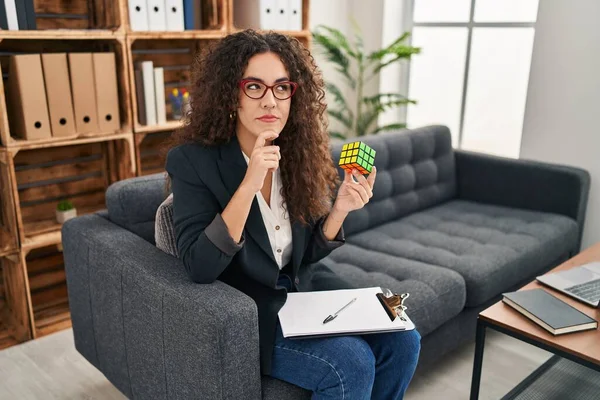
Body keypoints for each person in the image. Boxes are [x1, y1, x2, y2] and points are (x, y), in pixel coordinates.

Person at [165, 29, 420, 400]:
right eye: (255, 86)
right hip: (253, 308)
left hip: (306, 292)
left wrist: (339, 211)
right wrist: (249, 183)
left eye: (282, 88)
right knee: (352, 362)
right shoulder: (192, 161)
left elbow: (302, 257)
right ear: (230, 94)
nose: (271, 101)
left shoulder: (297, 153)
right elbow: (199, 267)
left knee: (403, 336)